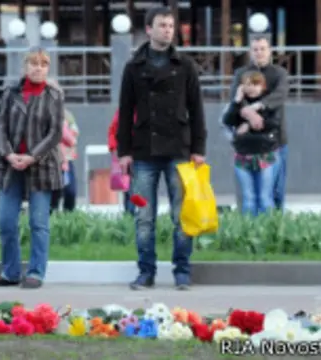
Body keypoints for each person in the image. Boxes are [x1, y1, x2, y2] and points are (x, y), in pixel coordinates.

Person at [116, 7, 206, 291]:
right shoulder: (133, 67)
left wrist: (198, 149)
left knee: (181, 216)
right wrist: (124, 152)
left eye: (170, 25)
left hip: (179, 150)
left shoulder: (186, 65)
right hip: (144, 152)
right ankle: (146, 272)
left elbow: (197, 110)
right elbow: (125, 110)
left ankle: (182, 271)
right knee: (144, 218)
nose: (168, 29)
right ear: (149, 29)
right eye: (162, 25)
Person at [0, 47, 64, 289]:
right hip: (11, 165)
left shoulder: (54, 95)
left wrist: (31, 156)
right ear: (25, 67)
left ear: (48, 68)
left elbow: (55, 133)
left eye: (43, 64)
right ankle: (10, 273)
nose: (38, 68)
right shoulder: (10, 92)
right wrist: (8, 154)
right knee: (6, 221)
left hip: (42, 166)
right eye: (33, 64)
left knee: (39, 223)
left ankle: (36, 273)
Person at [229, 36, 288, 211]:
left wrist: (257, 107)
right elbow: (235, 99)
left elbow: (280, 96)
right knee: (248, 195)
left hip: (276, 141)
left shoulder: (279, 73)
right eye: (255, 49)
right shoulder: (241, 73)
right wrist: (248, 116)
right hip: (246, 144)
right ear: (250, 51)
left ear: (270, 51)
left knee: (275, 192)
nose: (259, 52)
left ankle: (275, 231)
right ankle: (248, 233)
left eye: (263, 48)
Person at [223, 72, 280, 216]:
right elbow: (228, 120)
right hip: (243, 155)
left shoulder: (267, 104)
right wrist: (236, 100)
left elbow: (274, 124)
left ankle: (268, 230)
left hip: (264, 155)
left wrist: (249, 123)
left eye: (255, 84)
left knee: (265, 197)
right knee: (248, 197)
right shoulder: (238, 104)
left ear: (262, 87)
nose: (252, 88)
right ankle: (248, 232)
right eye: (248, 84)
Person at [51, 108, 79, 213]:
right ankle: (53, 217)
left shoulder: (66, 114)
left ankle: (68, 217)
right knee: (54, 193)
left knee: (70, 191)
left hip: (66, 159)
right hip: (50, 160)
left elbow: (74, 133)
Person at [107, 108, 135, 215]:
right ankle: (129, 218)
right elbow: (113, 131)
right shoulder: (123, 111)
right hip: (127, 156)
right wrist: (115, 150)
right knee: (129, 190)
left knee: (133, 190)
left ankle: (130, 217)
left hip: (142, 156)